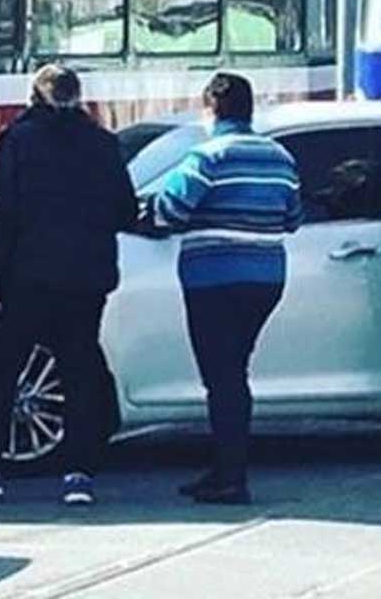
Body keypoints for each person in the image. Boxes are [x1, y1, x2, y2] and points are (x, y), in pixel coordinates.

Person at [0, 64, 137, 505]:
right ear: (78, 97)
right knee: (79, 368)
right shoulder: (103, 144)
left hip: (29, 274)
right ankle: (79, 475)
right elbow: (127, 210)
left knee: (3, 367)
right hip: (88, 276)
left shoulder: (20, 141)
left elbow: (4, 212)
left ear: (35, 96)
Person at [143, 72, 302, 505]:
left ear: (210, 109)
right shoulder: (280, 157)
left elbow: (170, 210)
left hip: (213, 278)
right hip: (267, 278)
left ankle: (231, 476)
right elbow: (292, 217)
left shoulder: (206, 156)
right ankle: (225, 469)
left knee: (222, 376)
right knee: (235, 370)